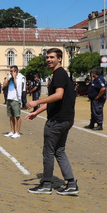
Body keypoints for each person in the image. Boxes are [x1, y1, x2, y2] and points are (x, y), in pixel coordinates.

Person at [26, 49, 79, 195]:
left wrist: (36, 101)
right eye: (47, 57)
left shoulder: (59, 74)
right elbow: (53, 100)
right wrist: (37, 112)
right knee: (60, 151)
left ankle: (46, 184)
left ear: (60, 59)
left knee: (48, 152)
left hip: (57, 121)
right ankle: (72, 184)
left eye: (52, 57)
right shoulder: (61, 74)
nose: (49, 60)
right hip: (66, 120)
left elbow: (58, 95)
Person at [3, 65, 26, 138]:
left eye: (12, 71)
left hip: (16, 99)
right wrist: (8, 77)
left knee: (17, 116)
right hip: (9, 97)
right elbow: (4, 85)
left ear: (16, 71)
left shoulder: (21, 77)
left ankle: (18, 132)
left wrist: (15, 77)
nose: (11, 73)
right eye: (10, 71)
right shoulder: (10, 77)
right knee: (11, 116)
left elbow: (18, 86)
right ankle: (12, 131)